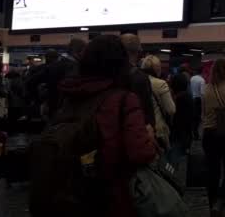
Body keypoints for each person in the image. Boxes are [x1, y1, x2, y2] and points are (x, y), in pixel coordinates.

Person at [57, 35, 157, 217]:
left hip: (67, 189)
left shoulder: (69, 94)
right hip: (111, 193)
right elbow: (140, 153)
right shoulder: (124, 99)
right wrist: (149, 138)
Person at [201, 58, 225, 217]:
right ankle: (220, 202)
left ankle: (212, 207)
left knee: (212, 172)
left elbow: (203, 112)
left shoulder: (205, 88)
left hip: (209, 133)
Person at [120, 34, 156, 129]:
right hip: (134, 129)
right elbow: (147, 110)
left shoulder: (108, 73)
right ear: (139, 50)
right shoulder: (140, 77)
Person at [141, 55, 176, 151]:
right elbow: (171, 110)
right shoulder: (160, 83)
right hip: (158, 129)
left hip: (141, 128)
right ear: (157, 68)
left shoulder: (136, 81)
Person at [168, 73, 195, 169]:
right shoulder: (188, 97)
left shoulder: (175, 98)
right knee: (175, 160)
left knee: (172, 162)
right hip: (184, 134)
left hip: (176, 134)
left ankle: (170, 179)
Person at [191, 66, 206, 138]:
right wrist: (203, 110)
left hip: (191, 99)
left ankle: (192, 132)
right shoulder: (202, 80)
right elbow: (202, 94)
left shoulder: (192, 78)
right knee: (197, 118)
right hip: (198, 100)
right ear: (202, 72)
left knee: (192, 117)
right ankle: (196, 133)